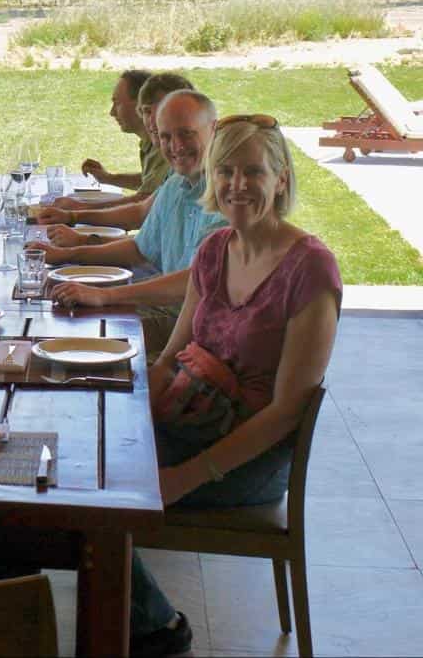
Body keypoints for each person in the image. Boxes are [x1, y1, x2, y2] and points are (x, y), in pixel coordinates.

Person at [130, 114, 341, 656]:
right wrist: (125, 413)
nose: (236, 184)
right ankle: (17, 604)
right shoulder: (213, 250)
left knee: (102, 495)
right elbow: (171, 357)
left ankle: (156, 629)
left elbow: (287, 411)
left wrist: (185, 477)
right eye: (225, 171)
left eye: (253, 171)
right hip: (190, 416)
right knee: (78, 463)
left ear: (282, 178)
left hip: (251, 459)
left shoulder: (309, 269)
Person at [38, 90, 227, 355]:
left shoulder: (229, 196)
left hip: (201, 334)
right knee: (53, 316)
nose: (176, 146)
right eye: (165, 137)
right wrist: (68, 255)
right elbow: (139, 249)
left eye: (186, 133)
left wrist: (105, 295)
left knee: (77, 340)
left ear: (213, 129)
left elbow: (196, 281)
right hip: (163, 311)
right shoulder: (175, 185)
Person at [39, 72, 194, 248]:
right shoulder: (175, 173)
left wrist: (78, 220)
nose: (152, 120)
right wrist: (76, 215)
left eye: (117, 103)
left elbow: (143, 214)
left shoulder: (195, 174)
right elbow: (143, 208)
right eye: (147, 111)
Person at [57, 69, 168, 212]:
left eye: (117, 103)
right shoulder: (150, 143)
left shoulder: (165, 147)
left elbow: (145, 202)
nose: (112, 112)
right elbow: (151, 182)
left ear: (140, 105)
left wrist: (80, 210)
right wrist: (108, 178)